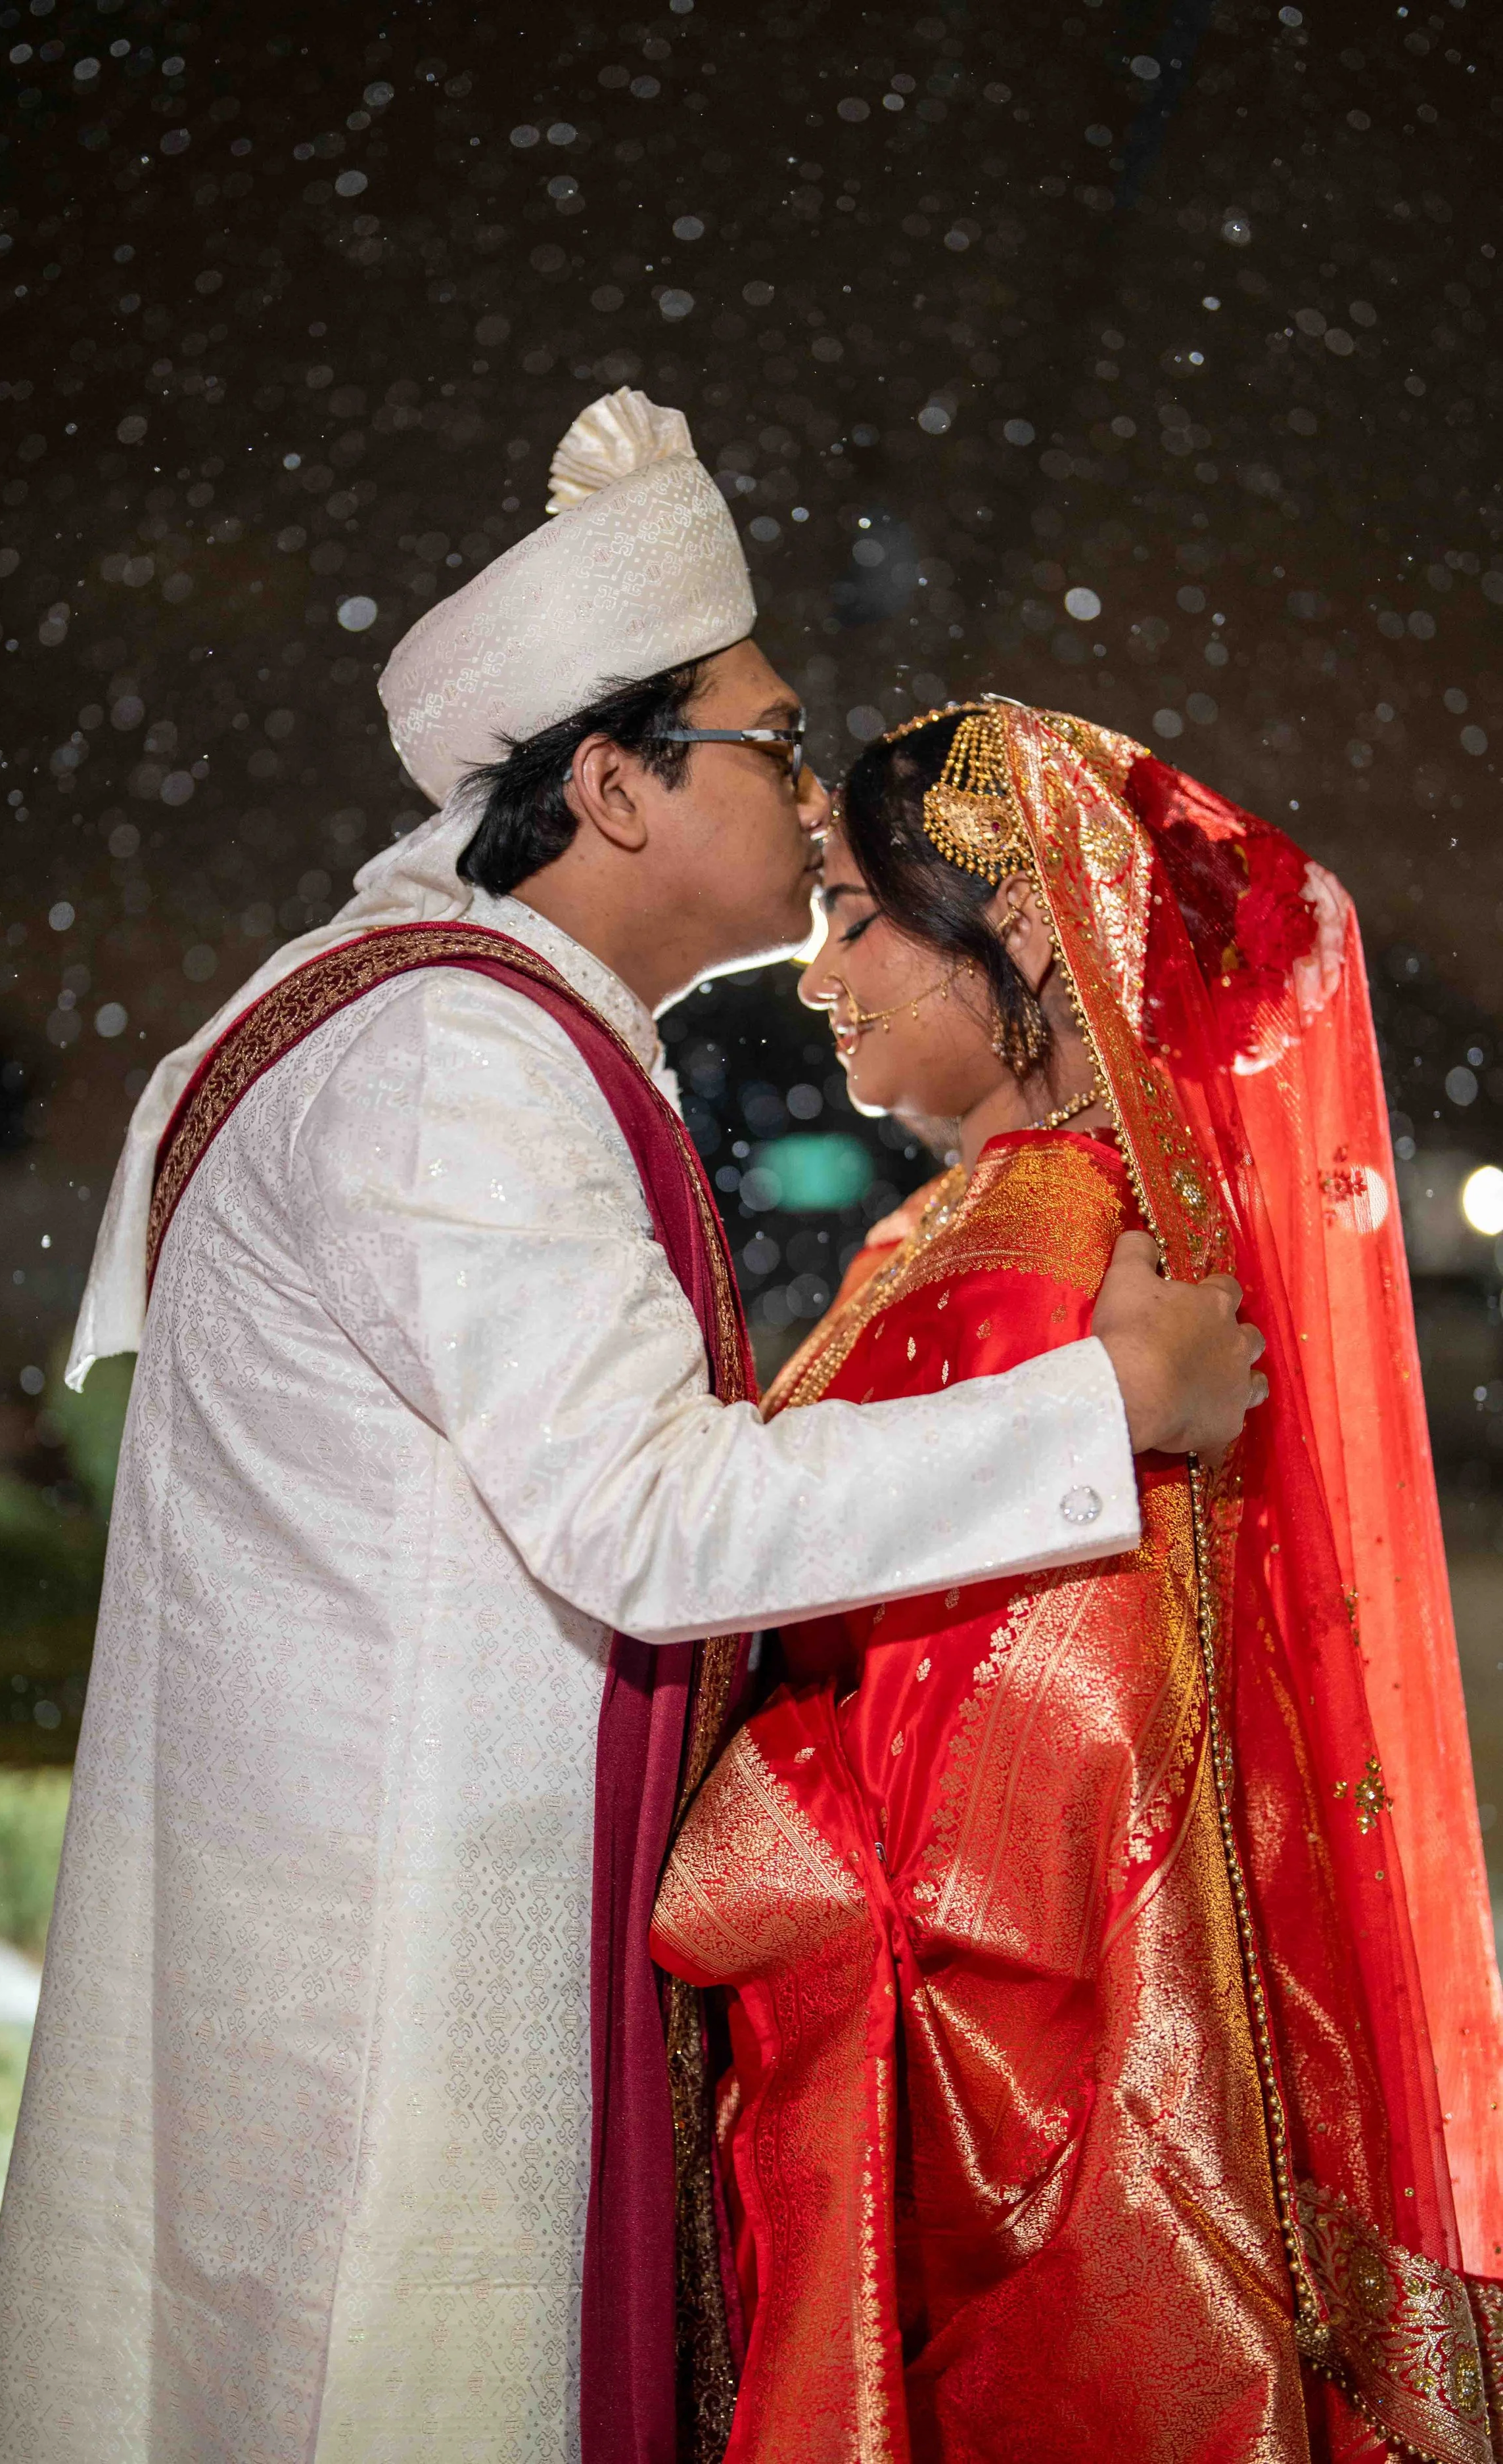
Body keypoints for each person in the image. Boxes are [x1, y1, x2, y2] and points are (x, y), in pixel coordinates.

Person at [0, 406, 1262, 2464]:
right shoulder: (449, 1059)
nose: (817, 800)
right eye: (769, 742)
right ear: (608, 785)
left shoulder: (459, 1019)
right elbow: (649, 1514)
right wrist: (1118, 1399)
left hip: (377, 1915)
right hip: (397, 1984)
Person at [653, 698, 1503, 2464]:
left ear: (1027, 922)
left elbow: (1046, 1730)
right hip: (1113, 2068)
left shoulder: (1031, 1235)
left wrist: (749, 1844)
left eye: (858, 915)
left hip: (1025, 2131)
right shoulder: (1113, 1219)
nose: (821, 972)